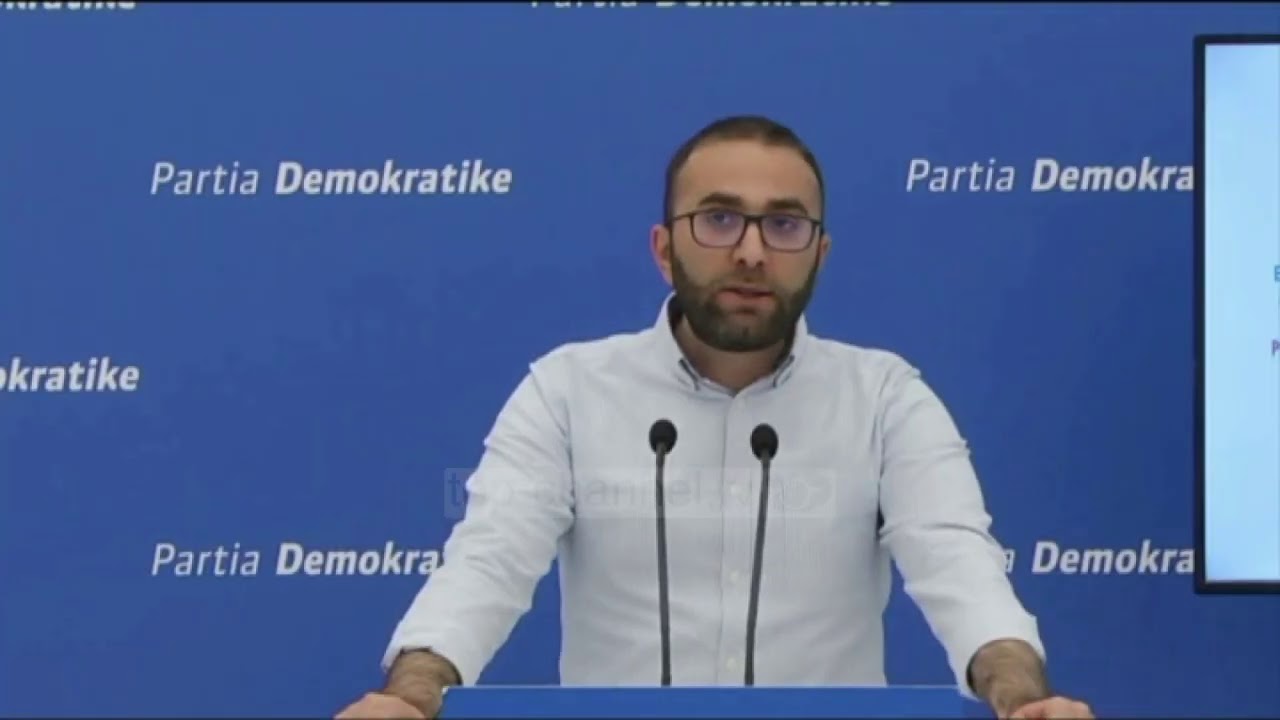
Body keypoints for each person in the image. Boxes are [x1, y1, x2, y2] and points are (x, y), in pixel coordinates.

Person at [336, 115, 1092, 720]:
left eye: (785, 226)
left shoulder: (885, 397)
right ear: (664, 249)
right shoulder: (568, 390)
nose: (752, 252)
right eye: (720, 219)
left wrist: (1021, 699)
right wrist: (412, 695)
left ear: (820, 253)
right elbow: (488, 562)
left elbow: (957, 561)